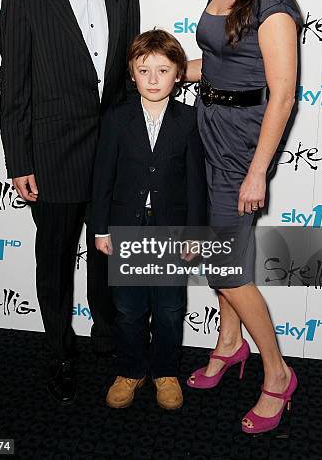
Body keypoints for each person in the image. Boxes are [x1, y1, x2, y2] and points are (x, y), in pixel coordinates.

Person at [0, 0, 140, 405]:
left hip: (111, 155)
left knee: (107, 259)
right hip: (51, 155)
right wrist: (19, 159)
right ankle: (58, 351)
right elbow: (15, 84)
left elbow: (128, 80)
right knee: (54, 265)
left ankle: (109, 345)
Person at [185, 0, 301, 434]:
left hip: (242, 144)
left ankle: (277, 374)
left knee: (222, 264)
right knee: (229, 250)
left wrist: (258, 170)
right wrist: (164, 68)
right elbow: (218, 62)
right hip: (207, 127)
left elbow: (282, 92)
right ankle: (229, 343)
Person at [92, 30, 207, 410]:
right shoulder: (117, 118)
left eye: (163, 70)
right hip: (127, 225)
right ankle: (130, 370)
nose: (153, 79)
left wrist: (193, 233)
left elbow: (195, 184)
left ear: (179, 74)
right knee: (129, 308)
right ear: (132, 74)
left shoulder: (190, 120)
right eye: (145, 70)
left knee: (170, 307)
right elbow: (103, 175)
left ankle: (165, 372)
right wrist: (100, 227)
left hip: (172, 229)